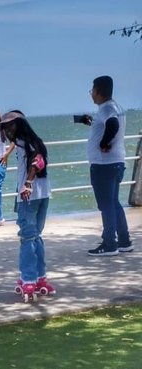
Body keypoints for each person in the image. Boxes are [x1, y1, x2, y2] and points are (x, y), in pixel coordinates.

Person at [0, 111, 54, 302]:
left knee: (28, 238)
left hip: (29, 196)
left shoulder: (23, 142)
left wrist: (27, 183)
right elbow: (40, 160)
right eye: (5, 127)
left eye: (9, 126)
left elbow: (38, 161)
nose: (7, 130)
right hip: (43, 193)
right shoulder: (34, 140)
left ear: (19, 125)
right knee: (35, 236)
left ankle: (28, 278)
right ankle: (40, 277)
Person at [79, 76, 132, 256]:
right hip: (116, 162)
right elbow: (109, 123)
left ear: (99, 91)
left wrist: (103, 143)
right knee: (114, 203)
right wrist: (92, 123)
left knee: (106, 205)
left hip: (104, 164)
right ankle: (124, 241)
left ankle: (110, 244)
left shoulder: (107, 108)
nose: (91, 94)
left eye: (92, 90)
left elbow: (112, 124)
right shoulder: (116, 106)